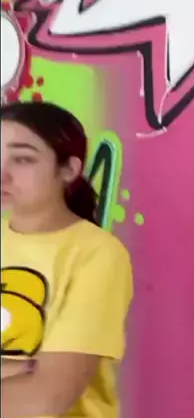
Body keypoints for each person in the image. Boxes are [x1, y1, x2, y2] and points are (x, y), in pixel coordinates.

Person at [0, 101, 133, 418]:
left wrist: (24, 374)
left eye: (23, 159)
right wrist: (19, 369)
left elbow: (45, 401)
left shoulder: (97, 253)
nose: (2, 174)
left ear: (69, 170)